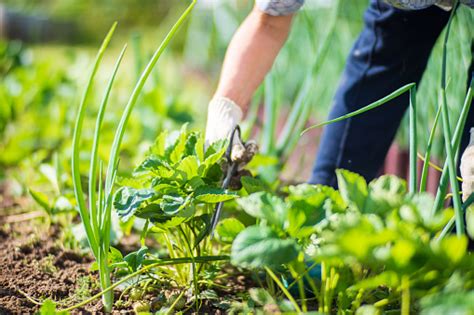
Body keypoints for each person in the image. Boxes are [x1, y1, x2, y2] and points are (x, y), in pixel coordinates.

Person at [205, 0, 473, 188]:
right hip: (398, 10)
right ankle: (323, 237)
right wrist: (226, 106)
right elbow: (269, 20)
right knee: (331, 191)